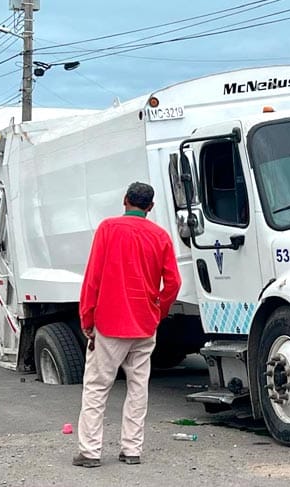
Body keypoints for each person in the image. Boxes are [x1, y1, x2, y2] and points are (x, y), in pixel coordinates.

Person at [73, 182, 181, 468]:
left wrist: (87, 318)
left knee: (97, 387)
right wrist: (158, 310)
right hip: (145, 324)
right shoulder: (160, 236)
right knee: (138, 387)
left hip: (110, 323)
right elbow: (174, 283)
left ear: (124, 200)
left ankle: (90, 451)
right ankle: (132, 449)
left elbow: (93, 278)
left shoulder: (108, 229)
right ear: (151, 207)